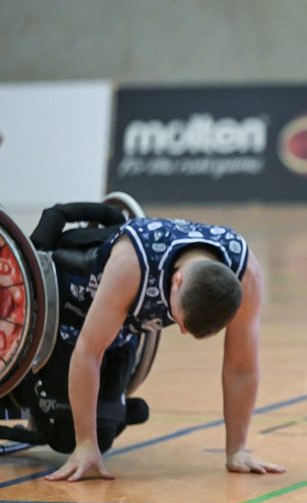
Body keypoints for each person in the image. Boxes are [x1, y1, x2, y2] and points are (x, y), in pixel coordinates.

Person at [39, 207, 285, 482]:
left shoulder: (246, 276)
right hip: (73, 301)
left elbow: (241, 367)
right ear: (177, 281)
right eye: (181, 321)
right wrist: (85, 444)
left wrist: (236, 450)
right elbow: (88, 352)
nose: (181, 330)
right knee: (66, 437)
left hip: (128, 323)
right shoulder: (131, 265)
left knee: (105, 430)